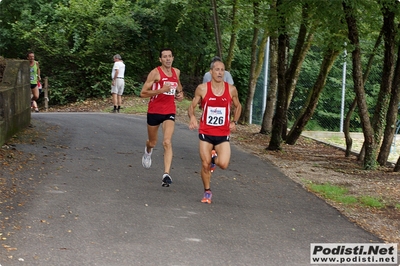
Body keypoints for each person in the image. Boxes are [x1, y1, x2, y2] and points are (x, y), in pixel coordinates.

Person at [188, 58, 242, 204]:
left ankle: (214, 159)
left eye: (222, 70)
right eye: (217, 70)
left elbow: (238, 106)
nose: (220, 72)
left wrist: (234, 122)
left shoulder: (231, 89)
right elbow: (191, 106)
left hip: (223, 134)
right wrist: (192, 117)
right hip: (206, 132)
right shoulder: (202, 88)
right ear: (211, 72)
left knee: (223, 164)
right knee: (205, 164)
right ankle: (207, 191)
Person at [140, 48, 184, 187]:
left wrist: (180, 94)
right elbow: (143, 93)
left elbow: (178, 86)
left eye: (170, 56)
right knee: (152, 142)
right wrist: (160, 90)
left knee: (167, 142)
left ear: (173, 58)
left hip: (169, 111)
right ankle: (148, 151)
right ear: (160, 59)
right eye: (164, 57)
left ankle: (166, 174)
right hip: (154, 111)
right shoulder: (155, 73)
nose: (167, 59)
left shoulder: (176, 72)